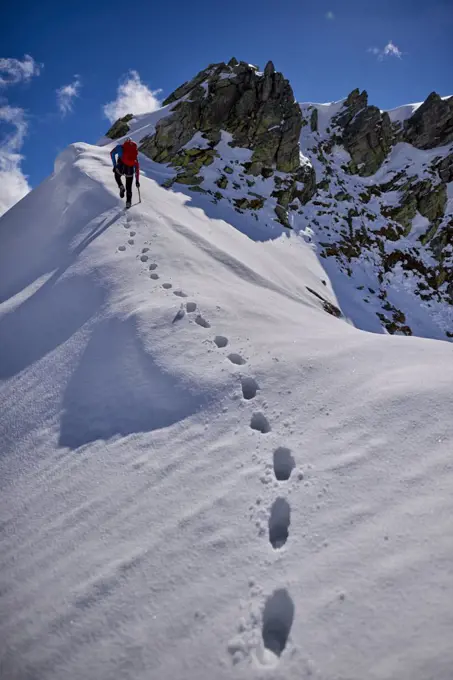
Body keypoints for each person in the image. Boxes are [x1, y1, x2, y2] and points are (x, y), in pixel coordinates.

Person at [111, 137, 140, 208]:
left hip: (121, 167)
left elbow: (112, 154)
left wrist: (115, 165)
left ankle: (121, 186)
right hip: (130, 170)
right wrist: (137, 180)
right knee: (129, 187)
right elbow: (137, 167)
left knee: (117, 176)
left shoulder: (119, 147)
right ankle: (128, 202)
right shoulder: (134, 153)